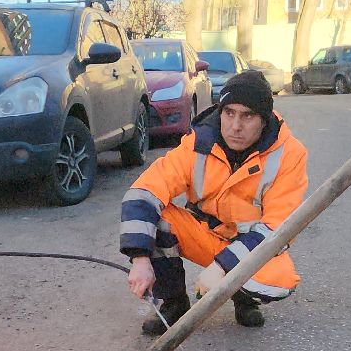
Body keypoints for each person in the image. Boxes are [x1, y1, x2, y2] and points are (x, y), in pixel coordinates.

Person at [121, 71, 306, 331]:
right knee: (154, 217)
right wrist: (140, 258)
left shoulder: (289, 155)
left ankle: (243, 297)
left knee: (279, 279)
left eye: (247, 116)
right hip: (202, 235)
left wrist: (223, 268)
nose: (235, 126)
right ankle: (173, 303)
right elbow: (143, 192)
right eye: (229, 113)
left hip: (248, 246)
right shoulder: (197, 143)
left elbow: (279, 228)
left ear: (264, 121)